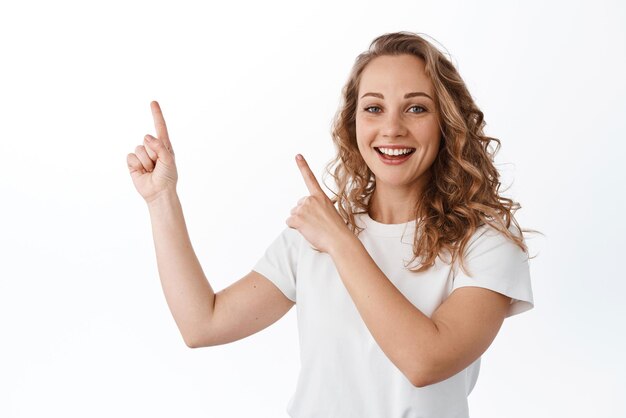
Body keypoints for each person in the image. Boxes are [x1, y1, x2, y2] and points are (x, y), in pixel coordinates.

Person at [126, 31, 535, 418]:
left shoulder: (486, 245)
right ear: (352, 123)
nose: (392, 128)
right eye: (373, 108)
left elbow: (424, 362)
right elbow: (203, 323)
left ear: (446, 123)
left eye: (416, 107)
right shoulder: (314, 236)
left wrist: (341, 242)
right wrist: (162, 199)